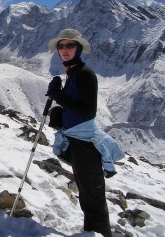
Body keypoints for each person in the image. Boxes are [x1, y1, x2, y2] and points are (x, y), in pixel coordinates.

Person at [46, 28, 114, 237]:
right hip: (77, 142)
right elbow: (75, 104)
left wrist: (58, 96)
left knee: (93, 200)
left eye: (70, 45)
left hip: (85, 145)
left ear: (79, 48)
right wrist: (60, 106)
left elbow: (88, 110)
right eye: (61, 46)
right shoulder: (73, 72)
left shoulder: (84, 73)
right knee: (87, 197)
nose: (64, 50)